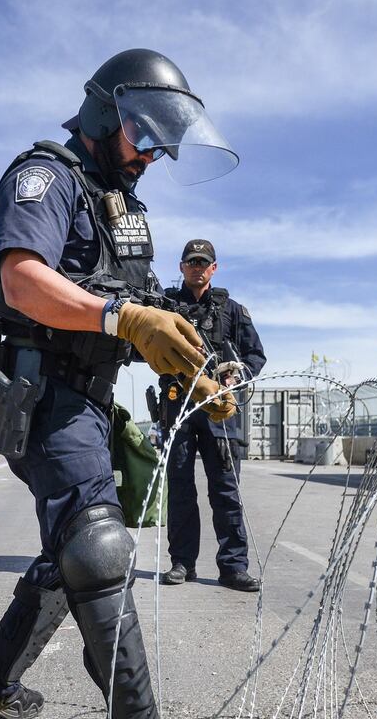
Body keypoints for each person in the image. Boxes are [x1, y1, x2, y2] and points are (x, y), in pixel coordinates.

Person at [0, 48, 239, 719]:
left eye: (161, 144)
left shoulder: (119, 207)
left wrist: (189, 369)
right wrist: (124, 316)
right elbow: (21, 279)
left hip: (86, 397)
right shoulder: (46, 177)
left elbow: (123, 320)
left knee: (69, 557)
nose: (150, 156)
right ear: (103, 113)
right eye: (142, 134)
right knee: (100, 546)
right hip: (40, 393)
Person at [157, 239, 266, 592]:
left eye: (204, 263)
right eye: (191, 262)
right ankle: (182, 563)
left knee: (225, 489)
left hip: (219, 407)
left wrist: (236, 376)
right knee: (181, 488)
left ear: (214, 268)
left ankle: (233, 568)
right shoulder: (167, 307)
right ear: (181, 267)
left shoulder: (232, 310)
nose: (197, 268)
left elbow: (255, 356)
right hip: (179, 405)